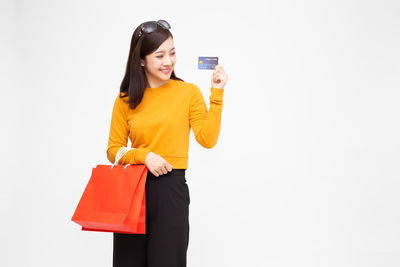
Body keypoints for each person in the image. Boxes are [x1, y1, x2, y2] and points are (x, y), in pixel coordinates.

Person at [106, 19, 228, 267]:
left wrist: (216, 94)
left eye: (172, 53)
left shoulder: (188, 92)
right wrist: (144, 156)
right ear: (141, 60)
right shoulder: (125, 99)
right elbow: (113, 150)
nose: (168, 61)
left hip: (170, 189)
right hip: (132, 190)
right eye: (159, 55)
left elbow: (207, 139)